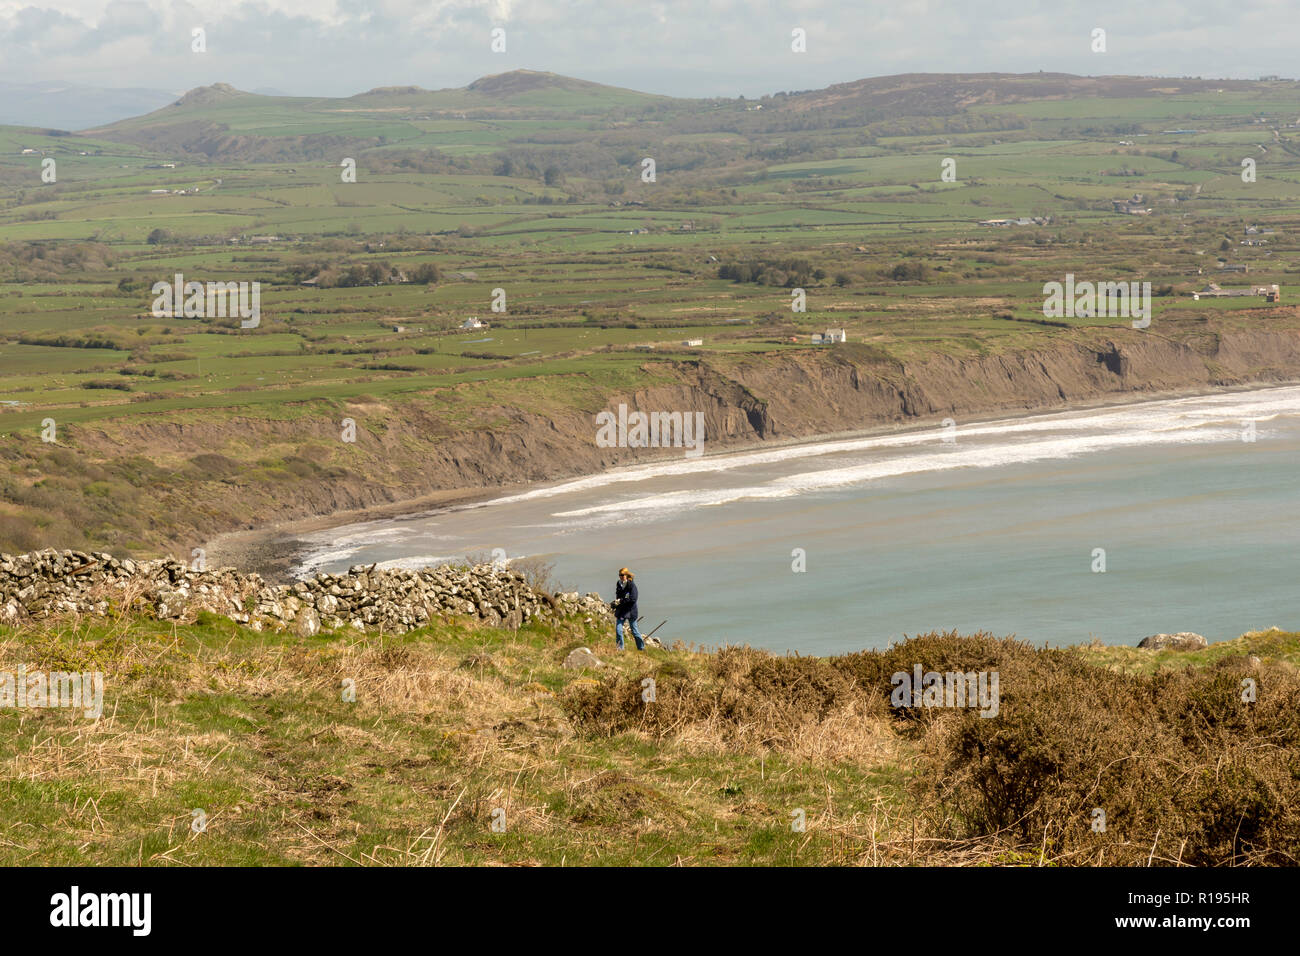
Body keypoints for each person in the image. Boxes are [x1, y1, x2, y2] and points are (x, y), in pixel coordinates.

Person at [612, 567, 644, 651]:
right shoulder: (619, 584)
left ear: (626, 575)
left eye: (622, 575)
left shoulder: (632, 585)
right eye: (619, 575)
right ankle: (620, 649)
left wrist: (622, 601)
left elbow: (633, 599)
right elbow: (618, 597)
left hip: (631, 611)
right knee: (618, 630)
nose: (621, 577)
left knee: (635, 631)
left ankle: (641, 648)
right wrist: (615, 603)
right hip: (621, 611)